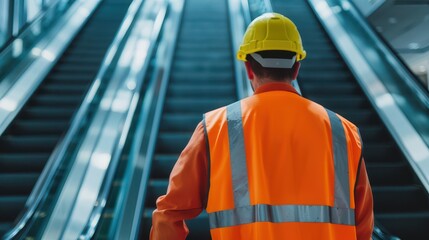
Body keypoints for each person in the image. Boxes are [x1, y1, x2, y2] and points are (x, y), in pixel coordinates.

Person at [150, 12, 373, 240]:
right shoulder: (343, 131)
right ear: (296, 68)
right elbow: (363, 226)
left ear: (248, 68)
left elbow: (169, 214)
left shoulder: (215, 128)